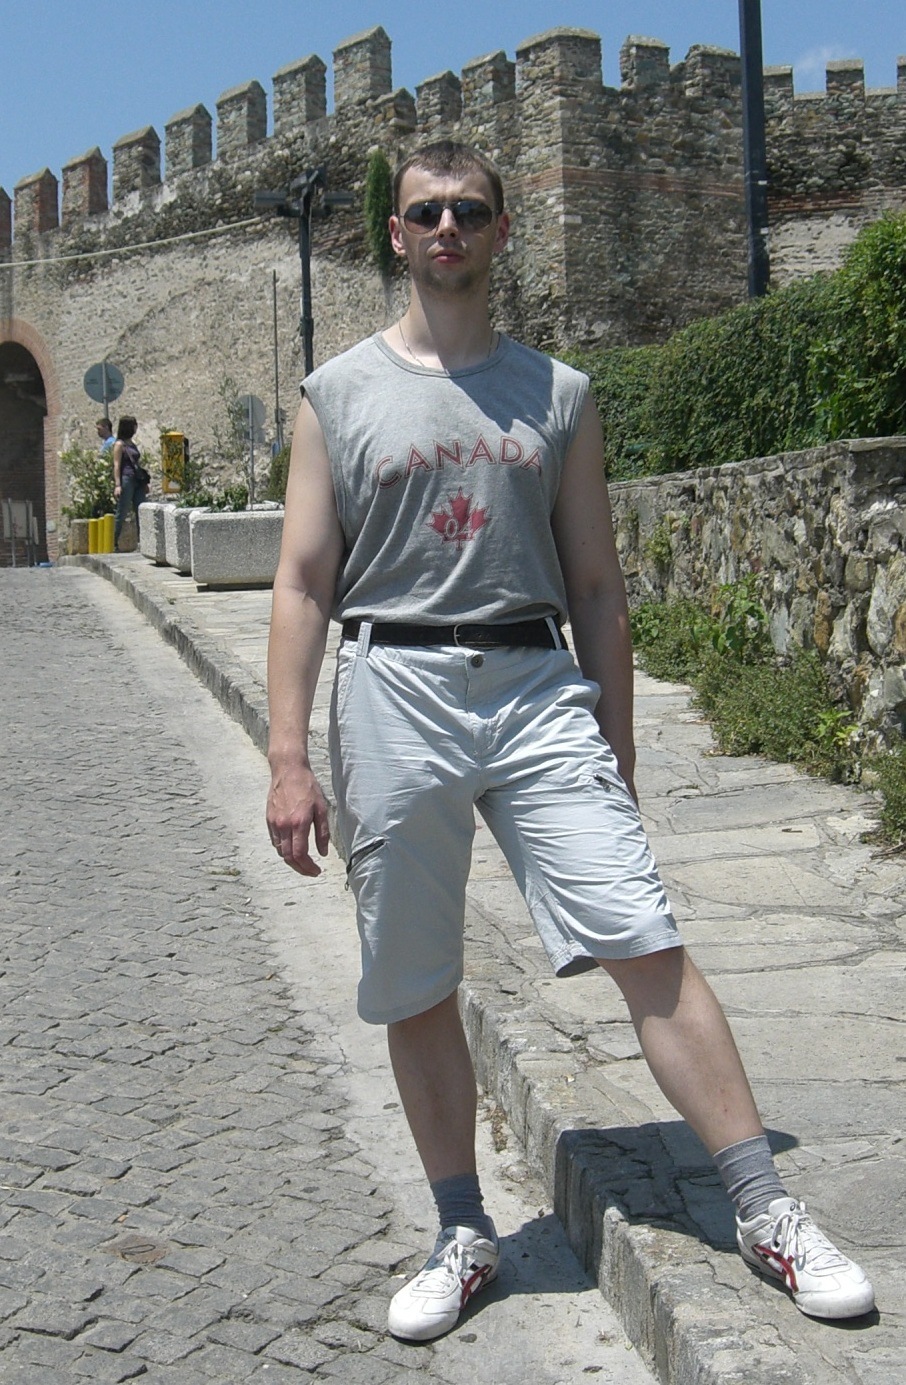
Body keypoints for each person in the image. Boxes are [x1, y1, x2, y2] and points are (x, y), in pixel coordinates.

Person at [265, 141, 874, 1342]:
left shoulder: (559, 393)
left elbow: (597, 585)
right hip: (394, 685)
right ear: (397, 234)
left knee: (643, 934)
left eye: (468, 210)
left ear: (500, 231)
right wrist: (289, 756)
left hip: (537, 683)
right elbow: (300, 579)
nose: (447, 227)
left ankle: (766, 1204)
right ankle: (461, 1229)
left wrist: (620, 748)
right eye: (426, 211)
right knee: (414, 972)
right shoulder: (336, 393)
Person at [112, 415, 147, 552]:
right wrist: (118, 485)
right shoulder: (119, 445)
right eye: (134, 425)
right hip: (126, 479)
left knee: (141, 510)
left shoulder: (132, 444)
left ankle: (142, 543)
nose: (136, 428)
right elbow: (116, 465)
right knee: (122, 511)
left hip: (137, 480)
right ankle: (113, 543)